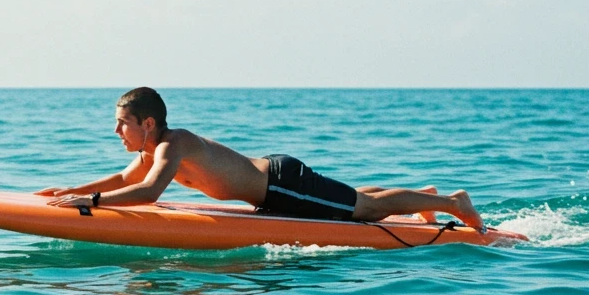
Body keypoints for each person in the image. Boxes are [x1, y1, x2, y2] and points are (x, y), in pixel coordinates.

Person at [36, 88, 486, 231]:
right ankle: (422, 196)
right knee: (347, 198)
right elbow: (123, 178)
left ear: (149, 124)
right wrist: (72, 191)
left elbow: (149, 192)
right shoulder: (154, 150)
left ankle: (452, 202)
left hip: (277, 184)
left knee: (363, 212)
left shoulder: (172, 146)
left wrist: (89, 203)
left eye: (123, 123)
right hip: (276, 185)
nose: (117, 131)